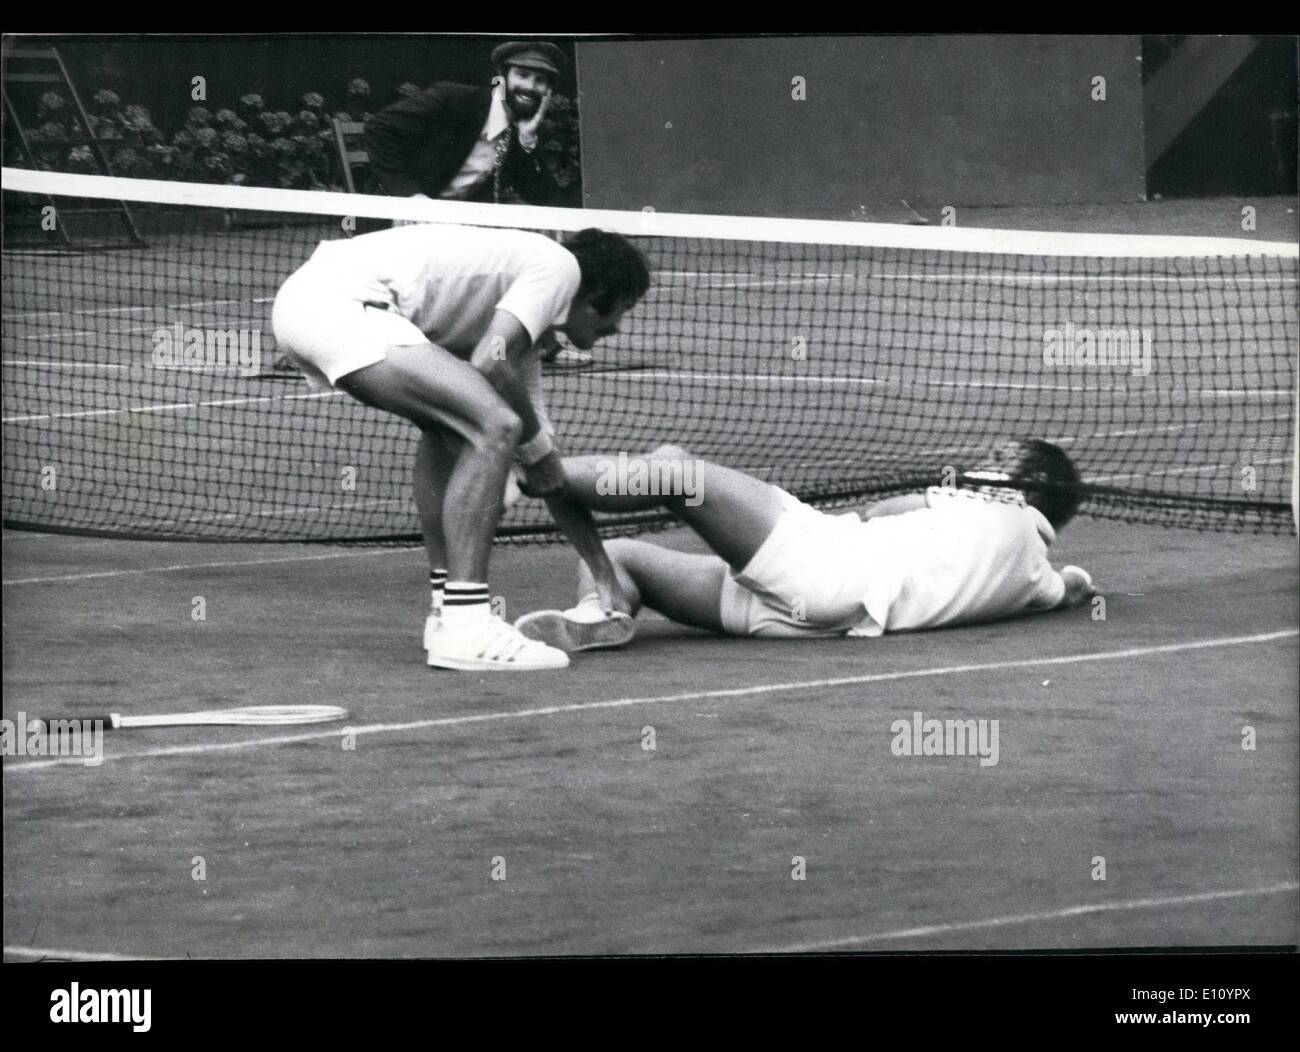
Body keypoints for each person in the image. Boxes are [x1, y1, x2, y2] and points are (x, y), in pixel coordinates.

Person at [272, 221, 649, 670]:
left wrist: (605, 579)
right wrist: (531, 453)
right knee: (496, 426)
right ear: (592, 295)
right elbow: (490, 366)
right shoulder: (558, 266)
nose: (617, 328)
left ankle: (445, 611)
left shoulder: (517, 334)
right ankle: (468, 624)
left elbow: (546, 472)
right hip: (337, 307)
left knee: (449, 432)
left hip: (312, 308)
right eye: (621, 309)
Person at [514, 439, 1096, 651]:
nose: (985, 461)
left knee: (673, 469)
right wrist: (1076, 582)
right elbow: (1071, 587)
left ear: (1027, 484)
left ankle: (521, 473)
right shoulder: (1036, 582)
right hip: (812, 619)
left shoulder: (998, 501)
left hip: (824, 560)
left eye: (1001, 459)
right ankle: (603, 612)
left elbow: (878, 511)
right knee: (622, 558)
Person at [365, 40, 592, 368]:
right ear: (501, 78)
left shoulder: (520, 131)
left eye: (540, 81)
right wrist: (410, 199)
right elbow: (378, 130)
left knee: (530, 248)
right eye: (523, 75)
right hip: (395, 219)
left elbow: (542, 198)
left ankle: (542, 346)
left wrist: (528, 143)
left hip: (458, 229)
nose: (530, 86)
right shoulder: (453, 99)